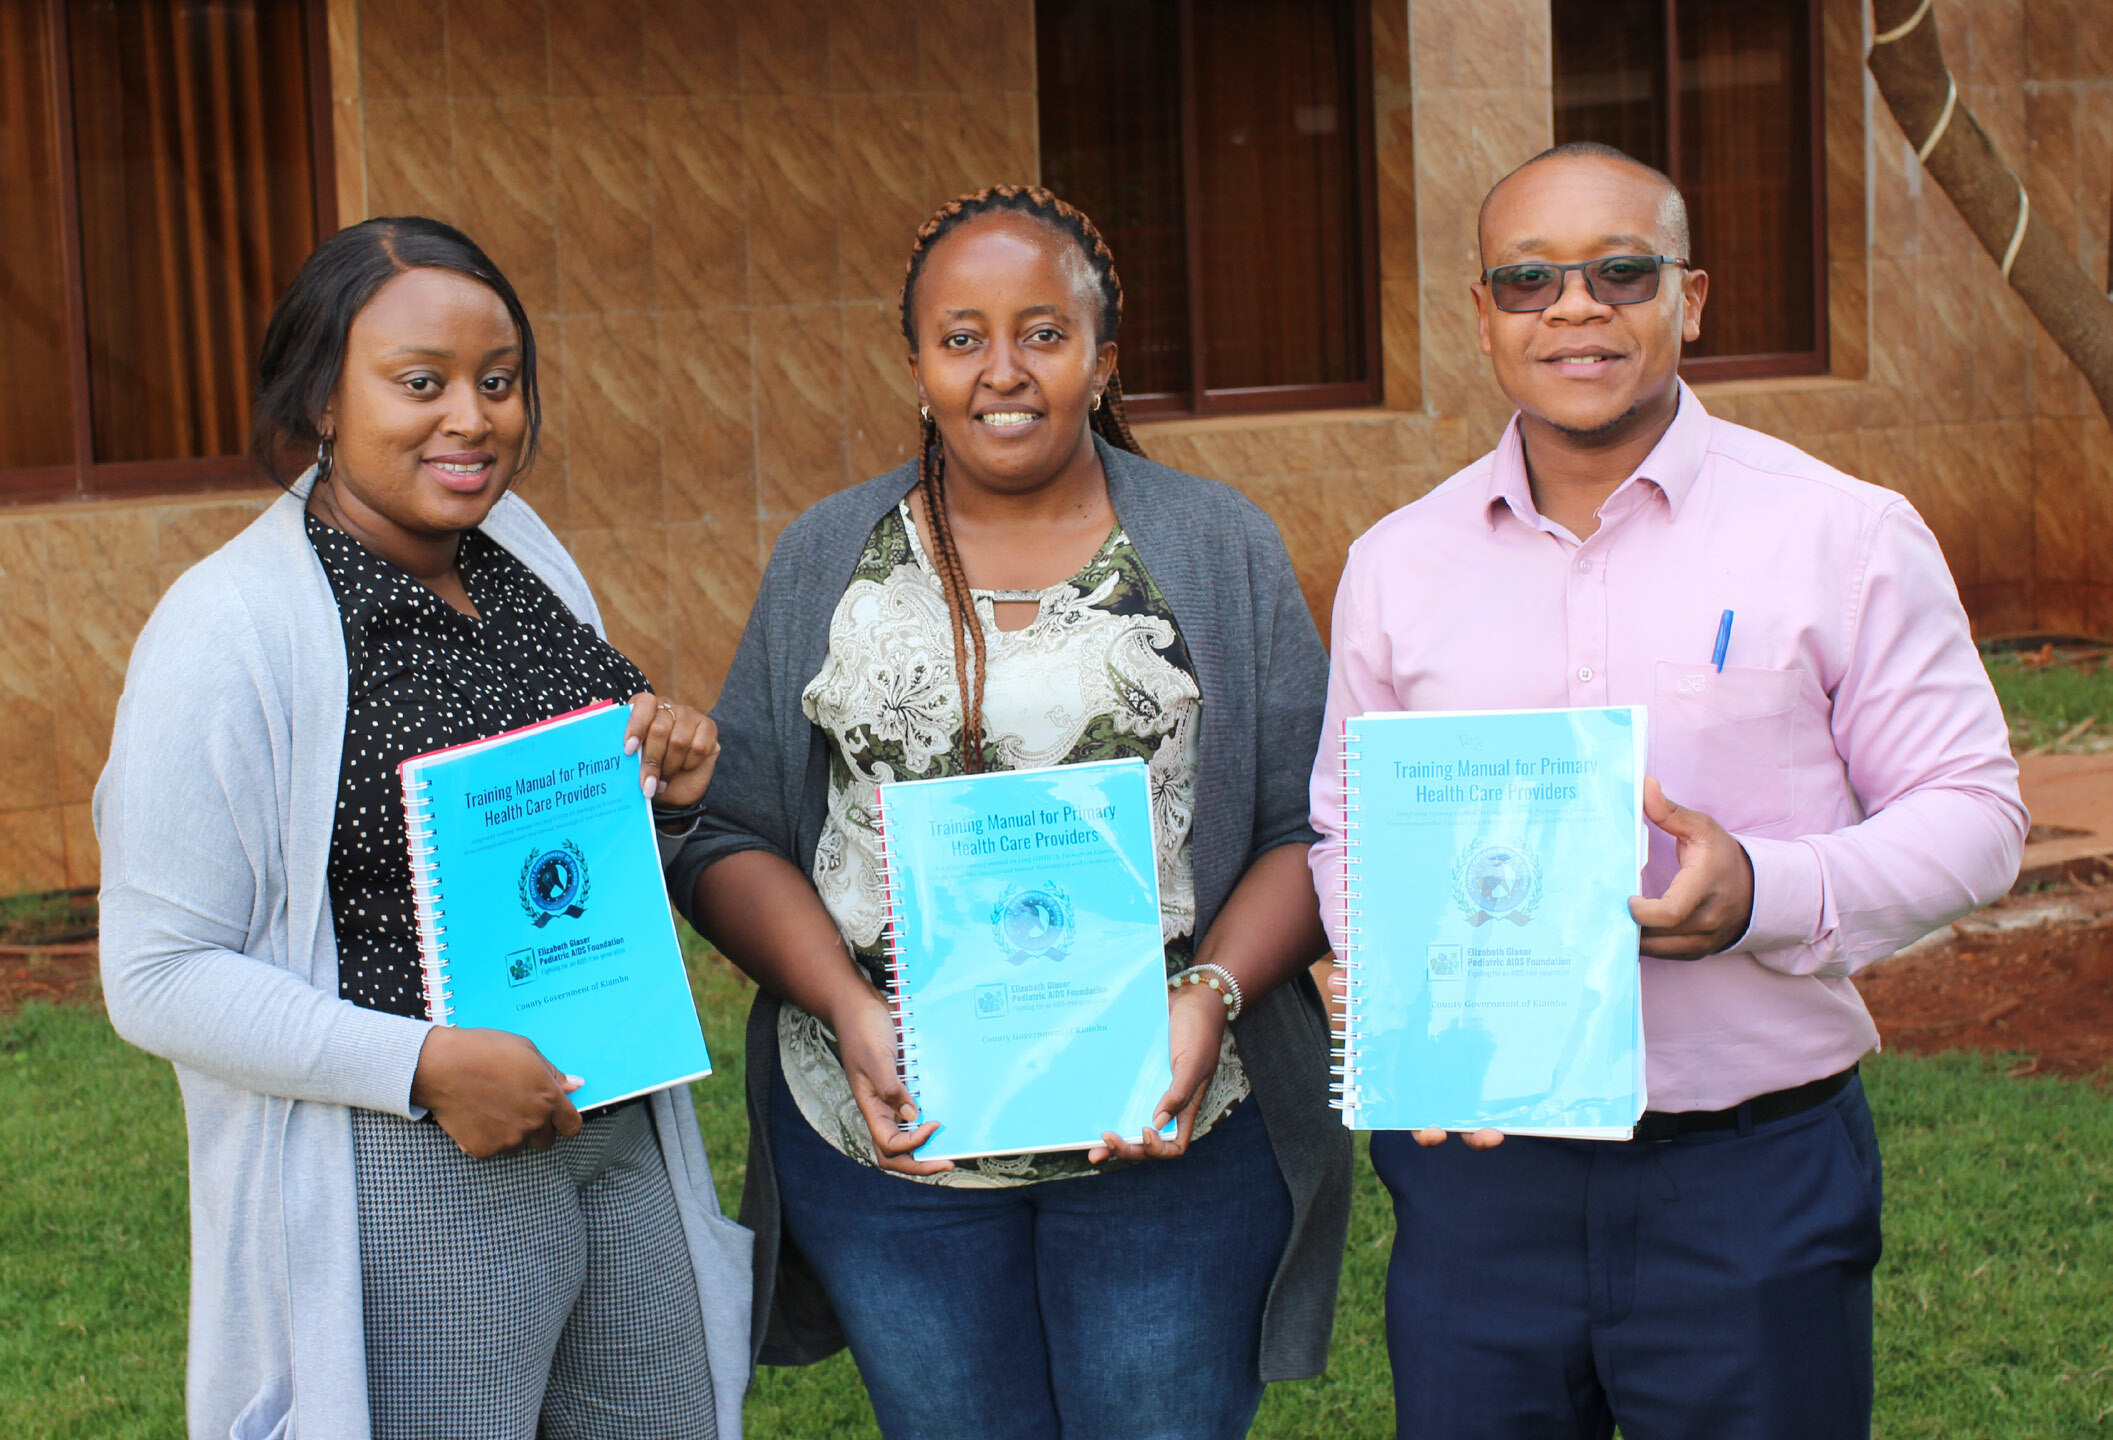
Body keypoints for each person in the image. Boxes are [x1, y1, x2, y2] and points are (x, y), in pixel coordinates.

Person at [1309, 142, 2027, 1439]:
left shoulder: (1840, 533)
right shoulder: (1396, 565)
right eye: (1528, 280)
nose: (1572, 309)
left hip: (1749, 1176)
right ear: (1483, 316)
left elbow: (1974, 815)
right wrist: (1388, 976)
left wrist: (1761, 890)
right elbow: (1348, 824)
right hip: (1482, 1187)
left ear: (1688, 299)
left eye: (1619, 273)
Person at [671, 185, 1350, 1440]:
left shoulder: (1218, 548)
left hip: (1167, 1125)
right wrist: (848, 1011)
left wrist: (1207, 999)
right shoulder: (828, 557)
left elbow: (1309, 824)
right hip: (895, 1137)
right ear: (915, 364)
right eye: (961, 337)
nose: (1003, 371)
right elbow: (730, 834)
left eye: (1043, 333)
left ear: (1104, 354)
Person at [95, 216, 750, 1440]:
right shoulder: (228, 628)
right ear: (321, 399)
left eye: (498, 382)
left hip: (614, 1129)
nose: (472, 418)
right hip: (412, 1163)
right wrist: (422, 1066)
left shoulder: (519, 557)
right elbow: (156, 973)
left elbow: (558, 855)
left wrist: (666, 796)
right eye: (420, 383)